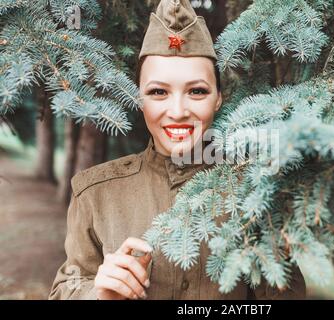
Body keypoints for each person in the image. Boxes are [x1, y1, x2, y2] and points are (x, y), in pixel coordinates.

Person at [49, 0, 306, 300]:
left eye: (197, 91)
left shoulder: (255, 190)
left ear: (218, 98)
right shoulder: (94, 193)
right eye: (158, 92)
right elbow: (64, 289)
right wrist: (97, 294)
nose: (178, 111)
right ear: (138, 98)